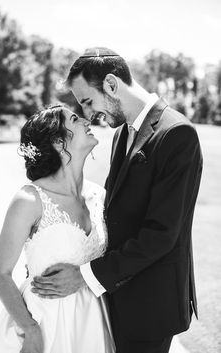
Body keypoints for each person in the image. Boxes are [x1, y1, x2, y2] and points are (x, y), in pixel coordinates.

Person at [31, 48, 203, 353]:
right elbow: (117, 214)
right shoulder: (122, 133)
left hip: (152, 306)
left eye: (86, 101)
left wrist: (85, 276)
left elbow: (160, 235)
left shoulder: (177, 134)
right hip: (117, 300)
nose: (86, 114)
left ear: (111, 84)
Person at [0, 105, 115, 353]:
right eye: (75, 119)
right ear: (59, 142)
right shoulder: (29, 199)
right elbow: (0, 273)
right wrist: (31, 329)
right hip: (46, 324)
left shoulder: (99, 196)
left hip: (96, 323)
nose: (87, 121)